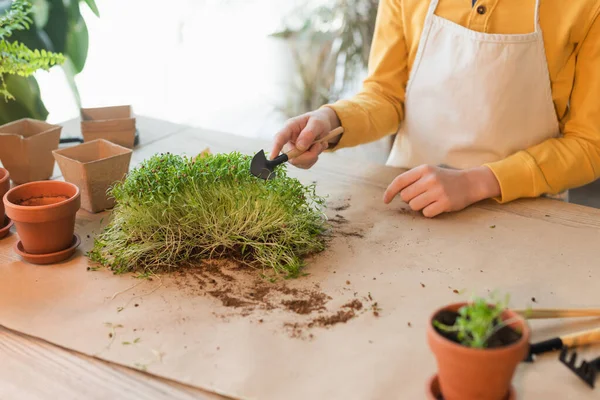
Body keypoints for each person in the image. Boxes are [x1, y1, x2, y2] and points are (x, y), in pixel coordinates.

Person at [270, 0, 600, 218]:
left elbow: (590, 144)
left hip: (527, 214)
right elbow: (386, 94)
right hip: (410, 205)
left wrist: (475, 183)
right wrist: (330, 121)